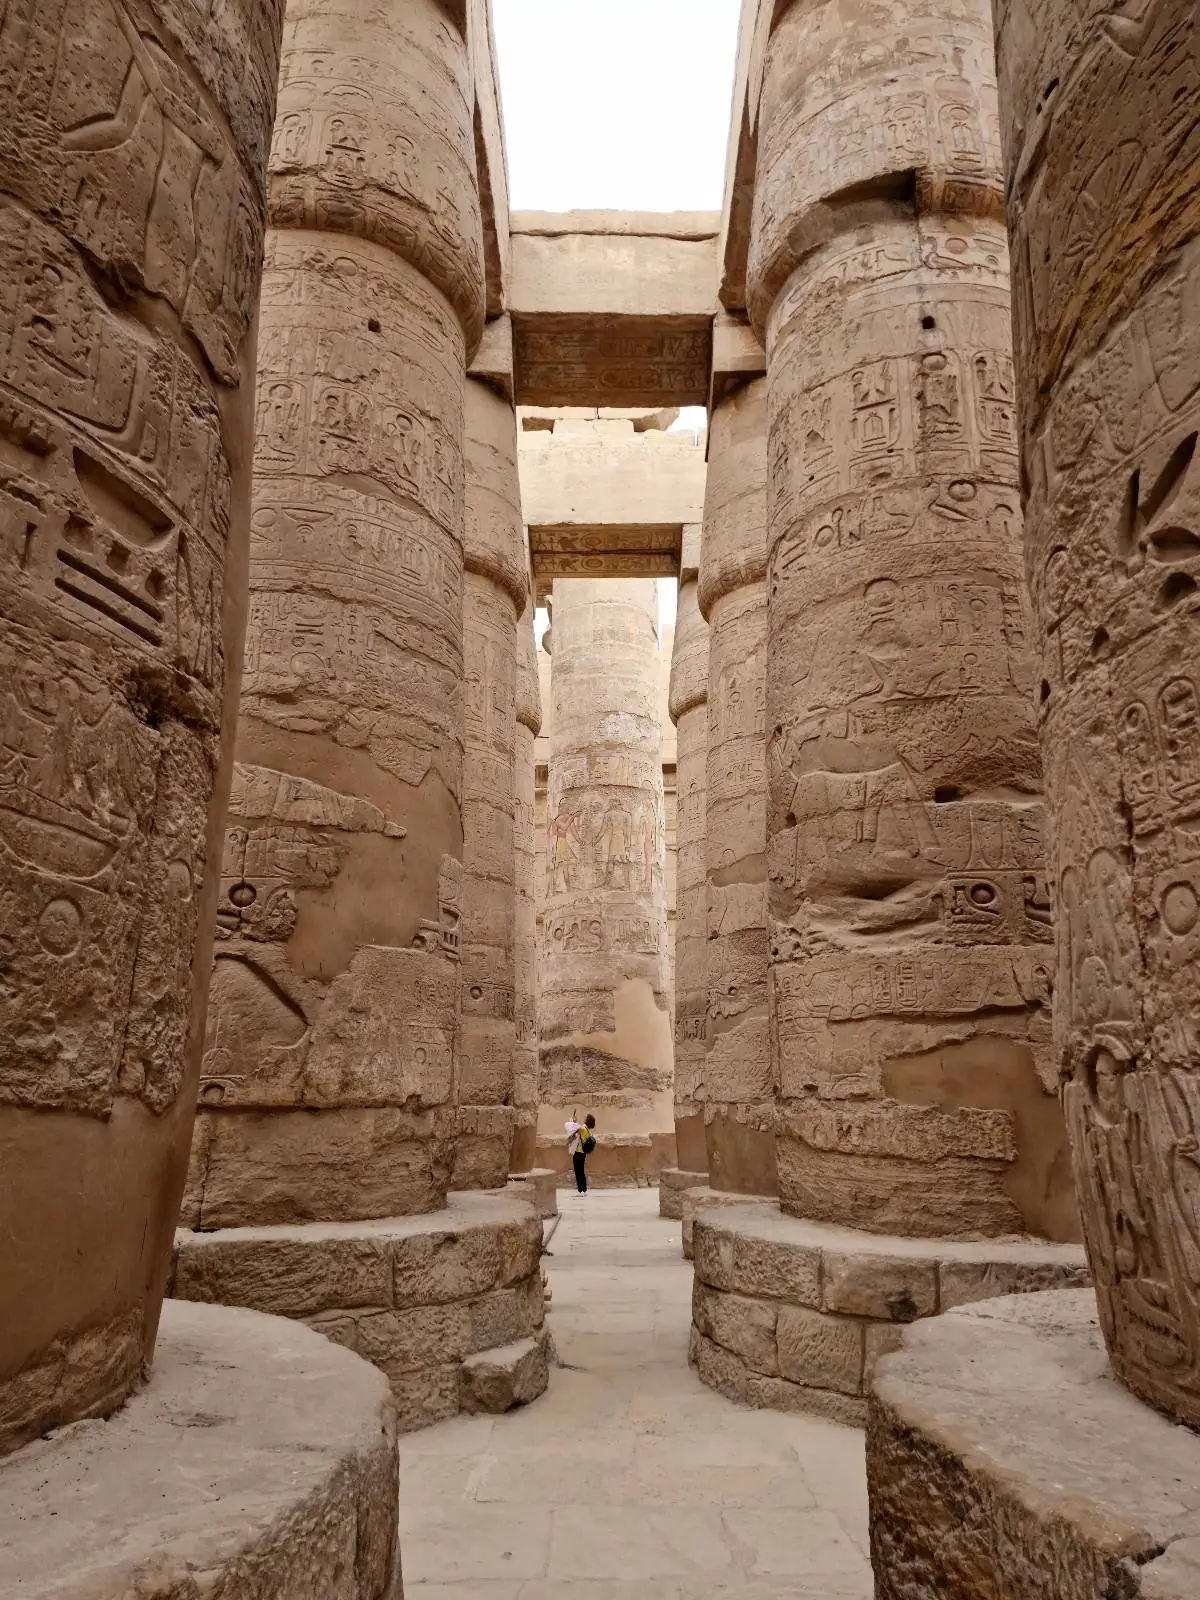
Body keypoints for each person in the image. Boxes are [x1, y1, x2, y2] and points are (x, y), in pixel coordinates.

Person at [565, 1113, 596, 1195]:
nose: (584, 1119)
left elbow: (573, 1128)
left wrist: (572, 1121)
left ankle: (580, 1190)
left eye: (586, 1118)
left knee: (578, 1171)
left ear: (587, 1120)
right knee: (581, 1170)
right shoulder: (588, 1130)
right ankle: (584, 1189)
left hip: (578, 1152)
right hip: (583, 1153)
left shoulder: (583, 1128)